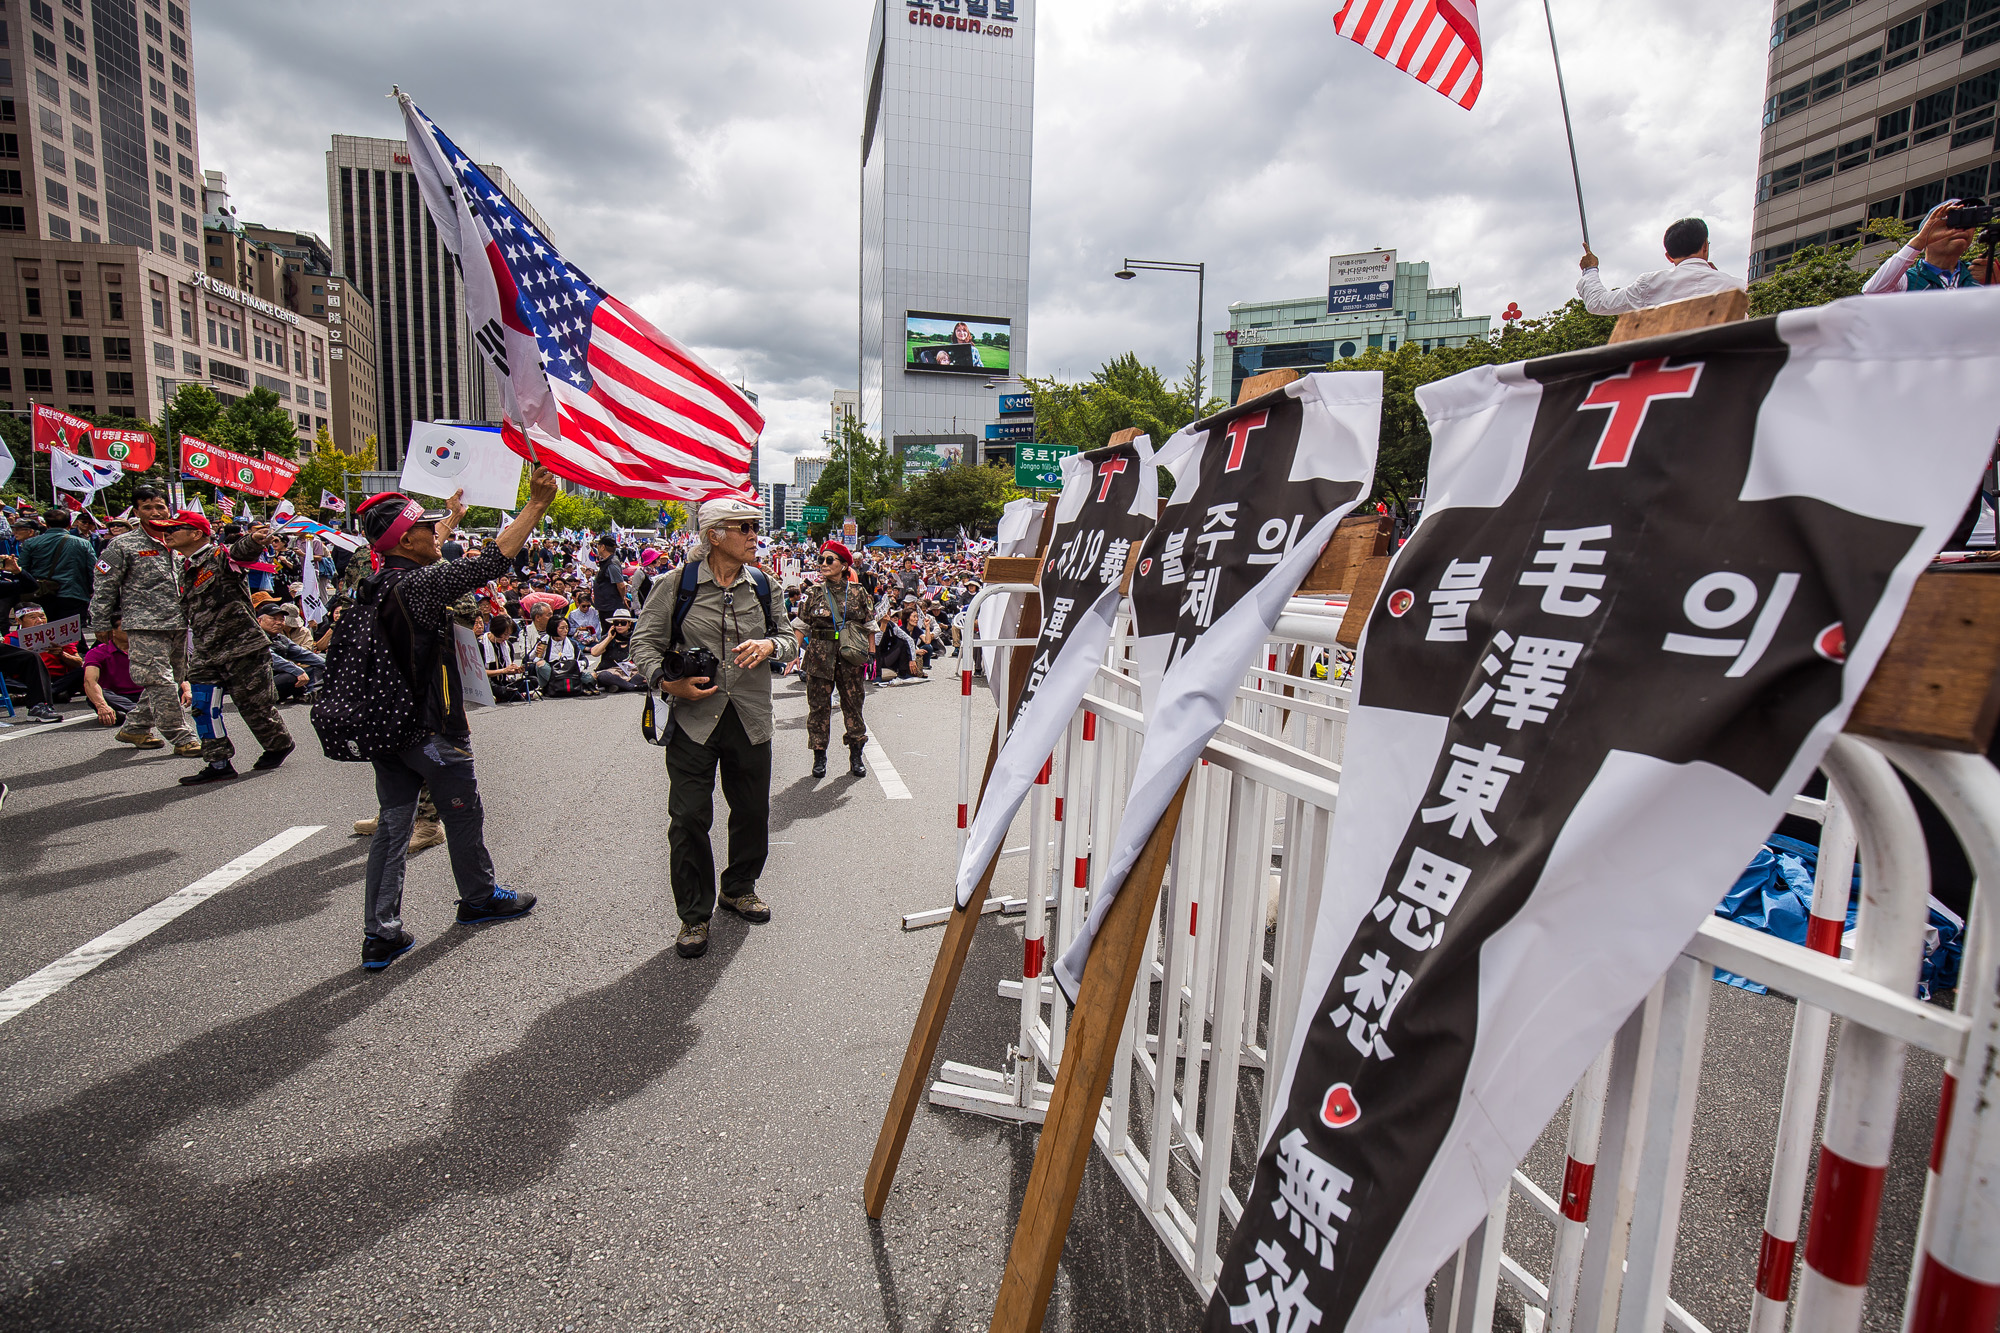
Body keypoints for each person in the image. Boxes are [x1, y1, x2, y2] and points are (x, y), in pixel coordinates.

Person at [348, 470, 559, 971]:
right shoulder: (420, 586)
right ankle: (480, 898)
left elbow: (417, 547)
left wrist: (451, 518)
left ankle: (380, 933)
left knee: (393, 828)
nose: (439, 532)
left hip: (388, 725)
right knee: (463, 811)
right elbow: (491, 559)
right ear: (405, 538)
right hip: (430, 726)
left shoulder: (377, 580)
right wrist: (535, 507)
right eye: (429, 526)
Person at [630, 496, 795, 960]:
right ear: (714, 535)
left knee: (750, 811)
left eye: (753, 527)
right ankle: (694, 916)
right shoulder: (674, 585)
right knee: (687, 818)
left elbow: (788, 637)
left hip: (749, 716)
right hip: (693, 722)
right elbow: (644, 641)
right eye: (743, 527)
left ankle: (739, 888)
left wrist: (770, 645)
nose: (753, 535)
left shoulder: (765, 585)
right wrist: (668, 681)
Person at [160, 512, 295, 785]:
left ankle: (279, 744)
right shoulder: (179, 566)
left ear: (197, 533)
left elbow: (241, 551)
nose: (169, 532)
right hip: (205, 651)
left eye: (176, 528)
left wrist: (255, 541)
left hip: (242, 647)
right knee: (202, 707)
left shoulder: (218, 557)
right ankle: (218, 762)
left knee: (255, 707)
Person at [87, 484, 199, 754]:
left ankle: (135, 727)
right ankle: (182, 736)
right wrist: (100, 623)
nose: (155, 511)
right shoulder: (123, 545)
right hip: (144, 625)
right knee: (159, 679)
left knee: (171, 678)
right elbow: (104, 587)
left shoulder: (177, 541)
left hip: (178, 623)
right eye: (147, 507)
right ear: (137, 512)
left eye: (160, 506)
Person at [792, 541, 875, 779]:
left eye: (830, 560)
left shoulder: (858, 592)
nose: (824, 564)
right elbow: (801, 626)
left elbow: (869, 626)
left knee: (853, 707)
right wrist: (792, 654)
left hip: (849, 658)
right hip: (819, 658)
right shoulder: (813, 593)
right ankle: (819, 756)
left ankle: (856, 755)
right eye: (821, 560)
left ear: (844, 565)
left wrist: (870, 655)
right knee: (818, 708)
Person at [1577, 218, 1746, 316]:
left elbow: (1598, 303)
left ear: (1669, 257)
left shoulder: (1650, 284)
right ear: (1705, 247)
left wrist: (1590, 270)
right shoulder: (1737, 287)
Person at [1864, 199, 1994, 292]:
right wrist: (1920, 240)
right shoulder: (1907, 280)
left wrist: (1994, 287)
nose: (1961, 229)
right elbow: (1873, 290)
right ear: (1928, 232)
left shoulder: (1982, 274)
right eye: (1951, 220)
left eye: (1968, 221)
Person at [19, 506, 96, 626]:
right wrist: (92, 591)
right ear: (70, 524)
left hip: (40, 594)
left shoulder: (30, 543)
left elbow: (22, 569)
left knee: (43, 633)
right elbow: (93, 570)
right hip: (73, 594)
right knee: (71, 634)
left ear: (47, 525)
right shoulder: (83, 544)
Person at [81, 623, 143, 728]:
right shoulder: (97, 652)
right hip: (117, 696)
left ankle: (133, 714)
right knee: (98, 695)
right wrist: (102, 706)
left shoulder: (147, 649)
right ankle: (142, 712)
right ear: (113, 631)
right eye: (125, 628)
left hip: (146, 694)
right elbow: (90, 681)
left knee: (175, 686)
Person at [533, 614, 594, 695]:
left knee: (590, 678)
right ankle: (556, 686)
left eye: (567, 627)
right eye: (562, 628)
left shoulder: (573, 643)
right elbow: (528, 659)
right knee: (541, 665)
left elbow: (584, 660)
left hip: (570, 672)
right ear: (553, 628)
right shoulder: (544, 641)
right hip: (553, 674)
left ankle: (562, 686)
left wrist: (579, 665)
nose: (566, 630)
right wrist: (537, 653)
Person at [481, 613, 532, 702]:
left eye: (509, 635)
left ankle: (509, 694)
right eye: (505, 634)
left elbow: (507, 671)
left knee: (533, 681)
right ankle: (513, 694)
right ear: (495, 630)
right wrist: (503, 671)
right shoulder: (481, 645)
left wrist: (515, 671)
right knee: (494, 687)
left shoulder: (508, 645)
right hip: (488, 682)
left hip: (504, 682)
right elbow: (480, 672)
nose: (507, 638)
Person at [592, 534, 629, 618]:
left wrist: (622, 598)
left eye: (598, 545)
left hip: (610, 607)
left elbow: (621, 585)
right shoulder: (607, 561)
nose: (597, 548)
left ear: (603, 547)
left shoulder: (612, 563)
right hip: (605, 606)